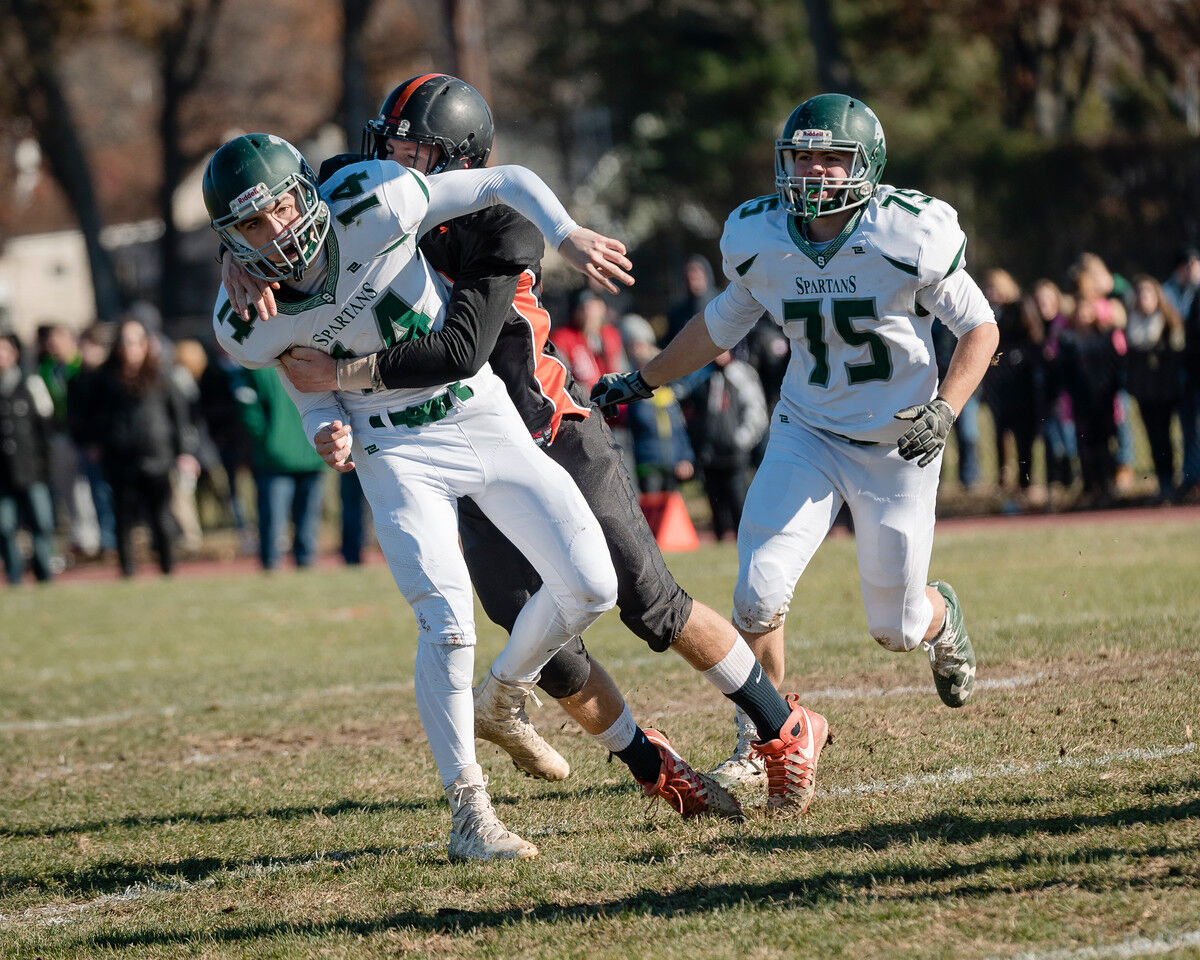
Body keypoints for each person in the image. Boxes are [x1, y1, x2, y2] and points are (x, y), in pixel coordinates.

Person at [227, 76, 827, 818]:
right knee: (544, 644)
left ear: (459, 159)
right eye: (387, 145)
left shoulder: (498, 226)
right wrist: (247, 259)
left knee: (651, 605)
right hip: (452, 453)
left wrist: (342, 372)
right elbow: (284, 203)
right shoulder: (373, 192)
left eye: (411, 149)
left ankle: (783, 723)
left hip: (548, 432)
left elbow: (456, 350)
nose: (390, 160)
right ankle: (653, 768)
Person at [594, 94, 999, 780]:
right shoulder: (763, 236)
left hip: (898, 443)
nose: (812, 172)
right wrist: (646, 378)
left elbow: (980, 327)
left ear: (864, 166)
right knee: (757, 591)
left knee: (894, 628)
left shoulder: (908, 232)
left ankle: (940, 617)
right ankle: (766, 734)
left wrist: (946, 409)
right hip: (807, 430)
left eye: (829, 158)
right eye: (801, 156)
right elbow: (722, 323)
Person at [91, 318, 198, 577]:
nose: (132, 347)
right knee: (124, 519)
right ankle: (127, 571)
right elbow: (93, 417)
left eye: (137, 341)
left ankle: (167, 568)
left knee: (161, 516)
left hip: (157, 456)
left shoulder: (161, 376)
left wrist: (184, 452)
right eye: (126, 342)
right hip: (120, 458)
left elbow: (179, 416)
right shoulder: (104, 380)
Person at [232, 364, 326, 570]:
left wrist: (267, 439)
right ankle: (304, 564)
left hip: (278, 455)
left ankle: (274, 565)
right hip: (312, 450)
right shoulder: (310, 359)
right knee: (306, 520)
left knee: (275, 520)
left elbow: (248, 409)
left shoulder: (253, 364)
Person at [683, 350, 768, 541]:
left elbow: (756, 409)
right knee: (715, 500)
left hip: (735, 452)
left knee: (739, 499)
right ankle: (720, 537)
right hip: (709, 452)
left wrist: (741, 439)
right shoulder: (701, 375)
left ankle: (746, 538)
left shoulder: (741, 374)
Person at [981, 268, 1043, 507]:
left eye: (995, 287)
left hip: (1020, 383)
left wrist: (1015, 358)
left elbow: (1033, 338)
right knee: (999, 433)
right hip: (997, 384)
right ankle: (1003, 480)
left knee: (1023, 435)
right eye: (988, 288)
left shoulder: (1019, 308)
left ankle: (1025, 482)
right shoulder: (986, 313)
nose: (991, 292)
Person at [0, 335, 56, 584]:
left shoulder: (31, 385)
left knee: (41, 522)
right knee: (5, 526)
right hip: (3, 473)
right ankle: (14, 575)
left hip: (32, 468)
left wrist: (45, 466)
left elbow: (45, 431)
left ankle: (44, 573)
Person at [1124, 275, 1184, 501]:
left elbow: (1177, 356)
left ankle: (1176, 482)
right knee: (1154, 438)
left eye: (1148, 293)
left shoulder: (1169, 323)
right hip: (1144, 392)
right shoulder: (1131, 324)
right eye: (1140, 294)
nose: (1144, 299)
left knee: (1171, 437)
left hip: (1167, 391)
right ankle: (1163, 483)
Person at [663, 255, 719, 346]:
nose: (694, 283)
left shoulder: (722, 304)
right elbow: (669, 343)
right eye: (690, 279)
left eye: (698, 278)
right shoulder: (677, 313)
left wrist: (730, 353)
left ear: (707, 276)